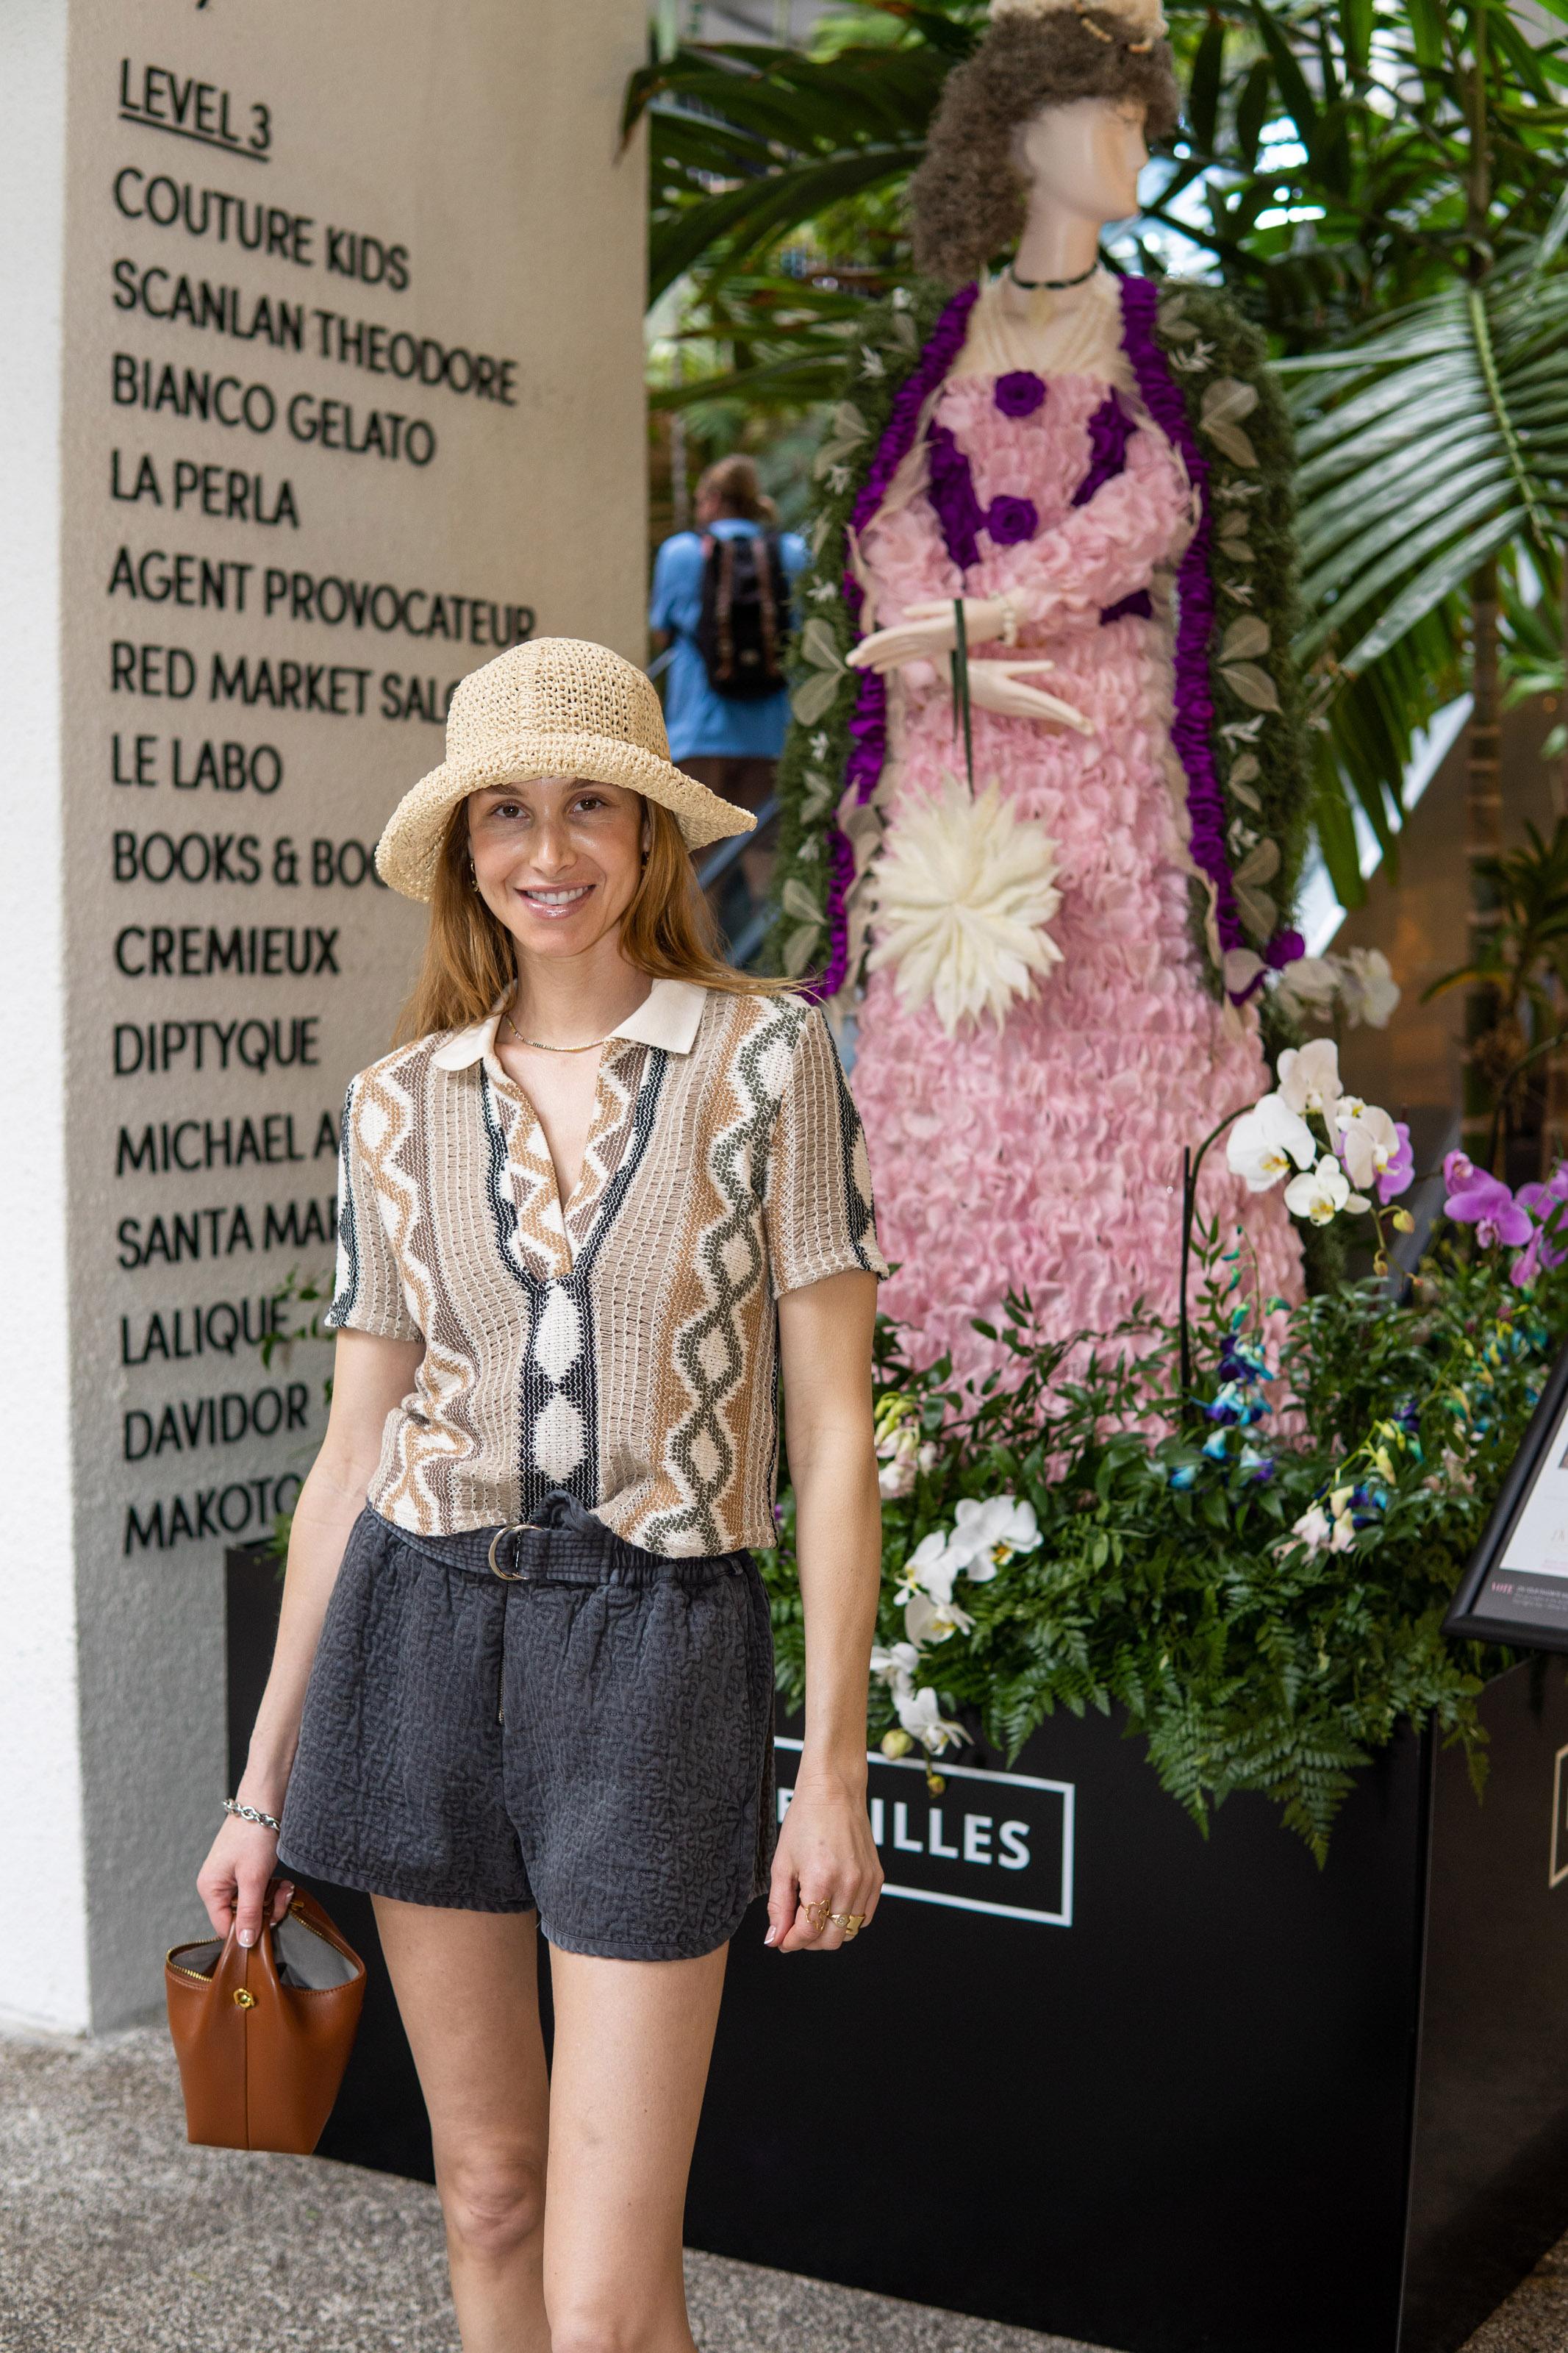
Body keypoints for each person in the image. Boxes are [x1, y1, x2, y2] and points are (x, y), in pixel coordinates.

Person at [196, 636, 887, 2353]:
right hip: (420, 1639)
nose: (546, 848)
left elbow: (833, 1432)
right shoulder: (392, 1105)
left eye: (589, 805)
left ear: (651, 834)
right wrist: (261, 1786)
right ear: (463, 849)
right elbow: (348, 1456)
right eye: (505, 812)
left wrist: (833, 1771)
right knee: (492, 2196)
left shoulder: (763, 1062)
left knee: (601, 2290)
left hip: (656, 1654)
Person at [650, 454, 808, 911]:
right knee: (764, 856)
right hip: (770, 733)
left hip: (698, 731)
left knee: (698, 864)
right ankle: (774, 966)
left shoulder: (681, 552)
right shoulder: (793, 553)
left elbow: (664, 630)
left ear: (714, 499)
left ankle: (697, 974)